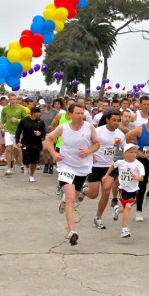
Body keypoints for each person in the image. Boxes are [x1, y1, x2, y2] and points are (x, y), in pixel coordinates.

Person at [44, 104, 99, 245]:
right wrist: (54, 153)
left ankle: (64, 199)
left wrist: (88, 151)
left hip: (82, 167)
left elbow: (97, 143)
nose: (81, 116)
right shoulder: (63, 128)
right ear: (70, 114)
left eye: (82, 113)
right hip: (66, 166)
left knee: (73, 196)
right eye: (78, 113)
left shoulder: (89, 127)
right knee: (71, 199)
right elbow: (49, 140)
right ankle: (72, 231)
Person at [88, 111, 126, 230]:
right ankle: (85, 191)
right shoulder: (98, 131)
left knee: (106, 190)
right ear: (107, 120)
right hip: (95, 166)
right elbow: (87, 144)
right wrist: (91, 155)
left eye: (118, 120)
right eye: (114, 120)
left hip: (110, 167)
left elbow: (124, 149)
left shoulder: (120, 134)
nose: (116, 123)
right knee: (93, 195)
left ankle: (98, 217)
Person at [112, 144, 145, 239]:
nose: (134, 154)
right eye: (131, 152)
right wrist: (106, 175)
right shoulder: (120, 162)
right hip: (123, 189)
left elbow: (142, 178)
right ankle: (124, 230)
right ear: (125, 153)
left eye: (135, 152)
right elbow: (112, 166)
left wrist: (136, 177)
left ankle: (117, 210)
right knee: (128, 207)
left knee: (126, 208)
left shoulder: (139, 164)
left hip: (133, 190)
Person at [15, 106, 47, 182]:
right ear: (33, 113)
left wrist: (40, 133)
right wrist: (17, 141)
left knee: (34, 161)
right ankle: (26, 166)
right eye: (38, 112)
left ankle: (31, 175)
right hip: (26, 142)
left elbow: (44, 132)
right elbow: (18, 132)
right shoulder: (24, 121)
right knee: (26, 158)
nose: (39, 114)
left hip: (36, 144)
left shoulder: (40, 122)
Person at [1, 94, 30, 176]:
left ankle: (21, 164)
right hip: (8, 130)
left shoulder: (21, 108)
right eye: (11, 99)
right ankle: (8, 168)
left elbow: (26, 119)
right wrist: (1, 123)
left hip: (18, 131)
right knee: (8, 148)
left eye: (14, 99)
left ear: (16, 100)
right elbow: (2, 116)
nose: (13, 101)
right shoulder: (5, 108)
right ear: (9, 100)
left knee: (18, 150)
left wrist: (18, 120)